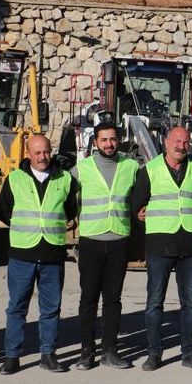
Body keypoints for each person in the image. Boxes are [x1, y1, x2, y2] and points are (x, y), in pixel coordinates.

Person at [0, 134, 78, 375]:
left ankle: (48, 354)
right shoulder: (15, 180)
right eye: (37, 153)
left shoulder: (65, 179)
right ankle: (12, 357)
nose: (42, 157)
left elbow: (70, 210)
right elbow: (4, 212)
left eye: (46, 152)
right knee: (16, 308)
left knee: (51, 308)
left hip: (52, 253)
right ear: (28, 153)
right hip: (23, 253)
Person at [133, 126, 192, 371]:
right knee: (155, 302)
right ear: (165, 143)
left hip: (188, 246)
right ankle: (154, 353)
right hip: (159, 245)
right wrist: (139, 214)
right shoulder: (149, 171)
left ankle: (189, 352)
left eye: (185, 142)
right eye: (176, 141)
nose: (181, 145)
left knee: (191, 304)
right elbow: (137, 206)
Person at [71, 122, 138, 370]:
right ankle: (86, 351)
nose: (109, 144)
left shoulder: (130, 167)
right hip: (91, 241)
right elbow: (65, 196)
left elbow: (140, 197)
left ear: (119, 140)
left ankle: (110, 350)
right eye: (104, 140)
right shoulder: (82, 169)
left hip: (119, 240)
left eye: (113, 139)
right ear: (95, 143)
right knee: (88, 299)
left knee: (113, 299)